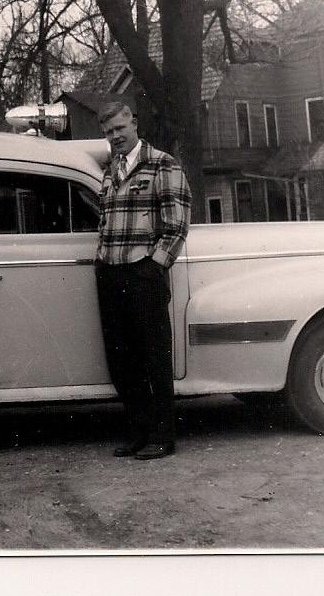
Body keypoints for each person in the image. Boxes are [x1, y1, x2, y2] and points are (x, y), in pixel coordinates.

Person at [94, 104, 191, 460]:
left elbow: (177, 224)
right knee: (121, 360)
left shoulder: (162, 164)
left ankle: (163, 436)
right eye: (109, 132)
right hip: (110, 272)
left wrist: (154, 266)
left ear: (134, 123)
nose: (116, 136)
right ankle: (139, 432)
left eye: (120, 128)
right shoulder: (111, 170)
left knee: (154, 358)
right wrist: (101, 262)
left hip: (143, 274)